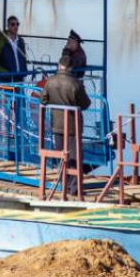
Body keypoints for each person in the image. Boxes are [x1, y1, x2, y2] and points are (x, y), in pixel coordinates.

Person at [41, 55, 91, 193]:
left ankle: (64, 185)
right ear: (70, 67)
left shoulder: (50, 81)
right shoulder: (76, 83)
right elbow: (86, 104)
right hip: (73, 126)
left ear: (59, 65)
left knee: (61, 155)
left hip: (56, 124)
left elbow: (43, 100)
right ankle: (74, 188)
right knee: (74, 157)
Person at [0, 15, 28, 82]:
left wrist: (24, 70)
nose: (15, 26)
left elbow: (23, 58)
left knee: (20, 91)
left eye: (17, 24)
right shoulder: (1, 42)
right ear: (8, 26)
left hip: (19, 78)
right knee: (8, 92)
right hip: (7, 80)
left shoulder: (21, 41)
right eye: (13, 24)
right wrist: (6, 73)